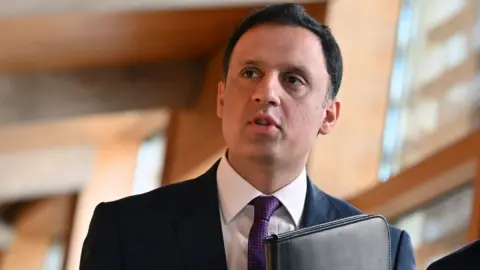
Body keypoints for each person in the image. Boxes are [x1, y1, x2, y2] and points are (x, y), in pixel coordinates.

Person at [80, 3, 416, 270]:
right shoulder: (125, 229)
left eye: (293, 79)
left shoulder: (383, 251)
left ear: (328, 115)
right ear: (222, 100)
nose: (266, 93)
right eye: (250, 73)